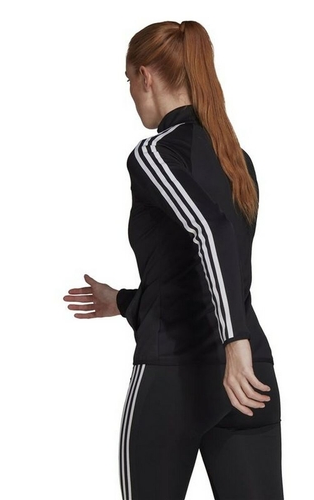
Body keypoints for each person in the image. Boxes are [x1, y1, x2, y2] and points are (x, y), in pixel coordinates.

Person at [63, 20, 284, 500]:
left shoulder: (155, 155)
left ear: (145, 76)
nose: (130, 93)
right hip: (251, 378)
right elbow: (201, 272)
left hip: (177, 374)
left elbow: (209, 231)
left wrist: (233, 343)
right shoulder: (237, 160)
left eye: (128, 80)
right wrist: (122, 301)